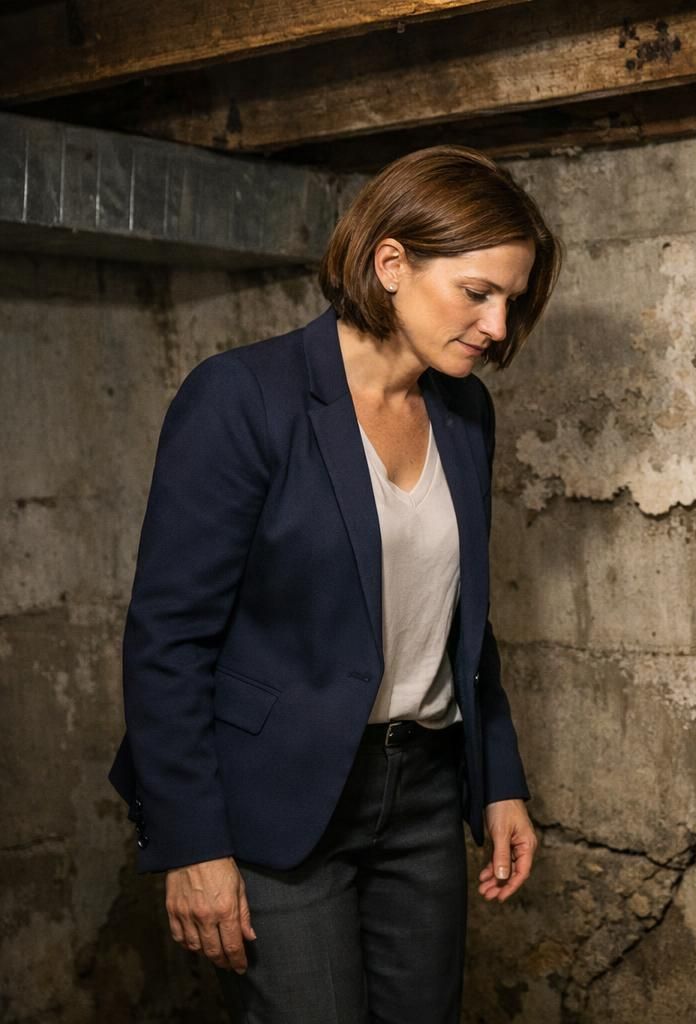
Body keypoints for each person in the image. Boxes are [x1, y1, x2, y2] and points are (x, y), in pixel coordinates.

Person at [108, 144, 561, 1021]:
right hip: (278, 796)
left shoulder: (466, 413)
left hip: (424, 791)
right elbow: (168, 639)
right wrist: (190, 841)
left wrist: (497, 778)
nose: (499, 327)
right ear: (391, 262)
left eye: (511, 299)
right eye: (479, 292)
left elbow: (463, 616)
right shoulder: (242, 397)